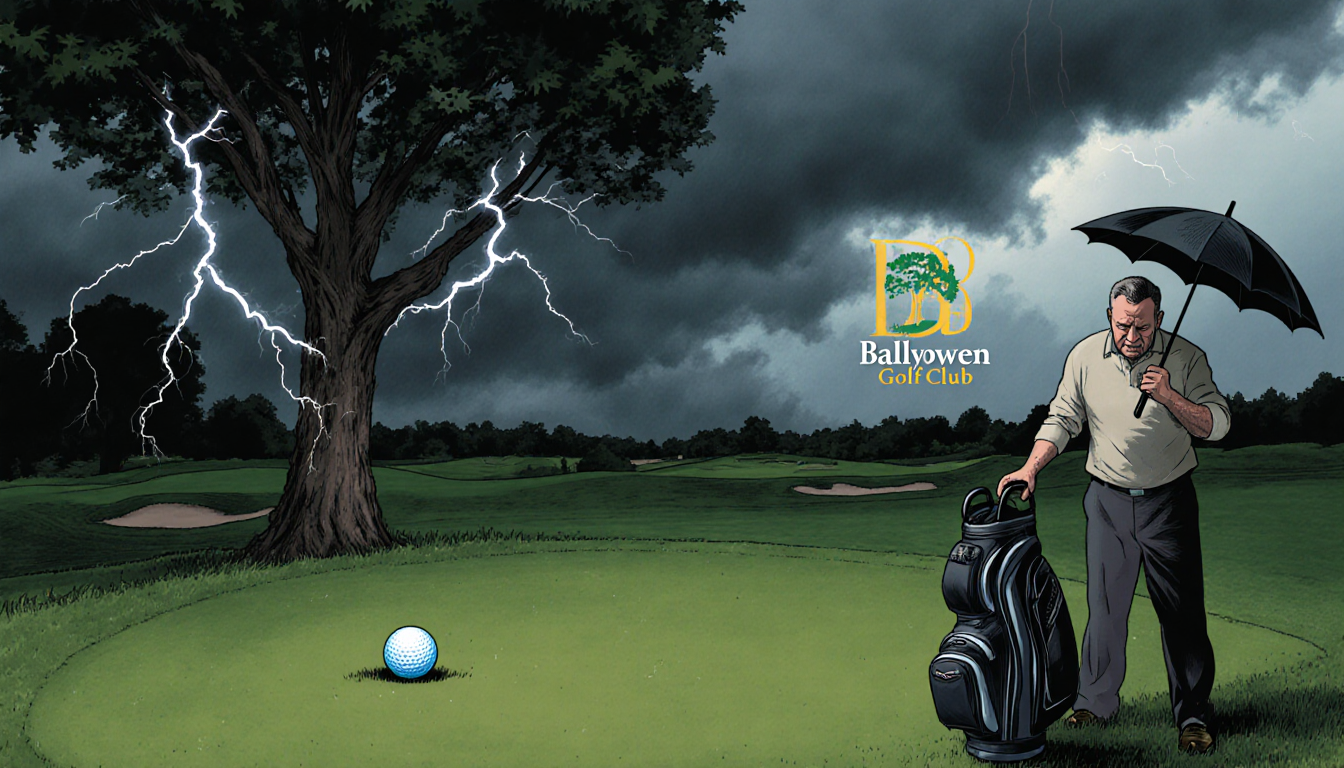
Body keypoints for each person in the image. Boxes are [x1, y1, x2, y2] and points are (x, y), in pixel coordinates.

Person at [997, 275, 1230, 755]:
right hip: (1106, 500)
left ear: (1158, 320)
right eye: (1123, 325)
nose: (1131, 337)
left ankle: (1192, 716)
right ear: (1110, 316)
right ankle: (1095, 703)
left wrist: (1169, 397)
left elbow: (1218, 425)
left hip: (1169, 501)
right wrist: (1031, 466)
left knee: (1182, 615)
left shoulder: (1186, 358)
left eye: (1142, 327)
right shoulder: (1084, 356)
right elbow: (1063, 417)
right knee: (1104, 609)